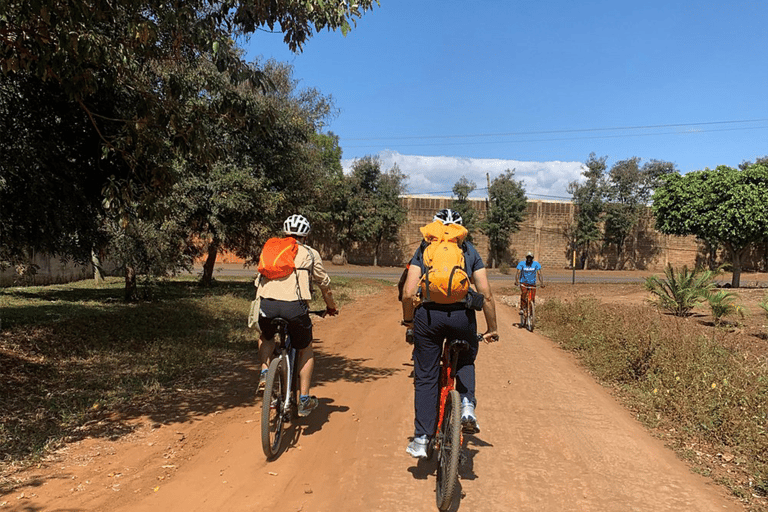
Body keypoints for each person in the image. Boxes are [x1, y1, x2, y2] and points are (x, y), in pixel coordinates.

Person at [401, 208, 499, 458]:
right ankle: (467, 405)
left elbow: (408, 293)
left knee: (425, 377)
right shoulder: (469, 250)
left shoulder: (424, 249)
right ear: (459, 230)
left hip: (429, 318)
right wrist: (492, 328)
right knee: (466, 358)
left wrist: (410, 322)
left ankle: (422, 439)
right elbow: (486, 294)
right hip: (461, 316)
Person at [255, 214, 338, 417]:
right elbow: (324, 283)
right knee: (305, 348)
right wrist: (331, 306)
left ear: (285, 233)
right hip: (295, 308)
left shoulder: (271, 249)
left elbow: (258, 280)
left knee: (265, 337)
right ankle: (304, 399)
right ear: (306, 236)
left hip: (266, 305)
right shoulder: (310, 253)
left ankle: (265, 371)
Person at [514, 251, 545, 325]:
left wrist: (541, 283)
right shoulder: (522, 264)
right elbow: (518, 273)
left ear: (532, 258)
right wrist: (516, 281)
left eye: (530, 258)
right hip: (523, 283)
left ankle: (531, 312)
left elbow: (539, 274)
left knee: (532, 298)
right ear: (526, 258)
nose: (529, 259)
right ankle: (522, 308)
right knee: (524, 293)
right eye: (528, 258)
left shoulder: (536, 264)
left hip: (532, 284)